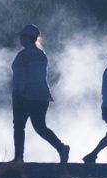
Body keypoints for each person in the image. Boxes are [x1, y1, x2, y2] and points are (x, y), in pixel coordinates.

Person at [10, 25, 70, 163]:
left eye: (22, 37)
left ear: (27, 38)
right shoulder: (41, 55)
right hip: (42, 96)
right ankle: (61, 148)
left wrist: (17, 94)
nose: (20, 39)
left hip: (25, 95)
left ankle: (18, 157)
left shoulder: (23, 55)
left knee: (19, 126)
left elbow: (20, 77)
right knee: (40, 127)